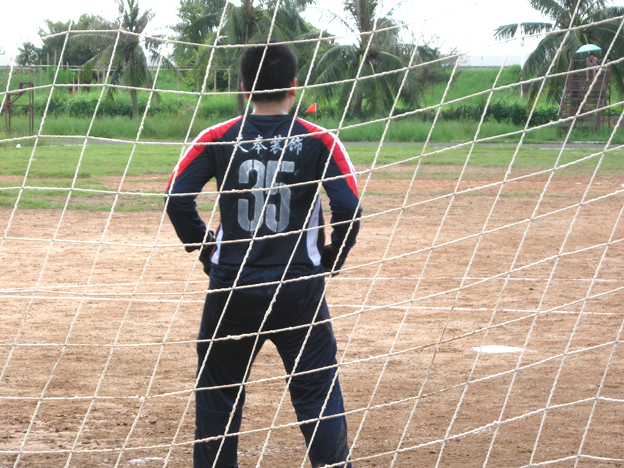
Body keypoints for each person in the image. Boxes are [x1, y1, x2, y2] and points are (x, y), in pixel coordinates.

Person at [165, 42, 361, 468]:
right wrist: (332, 256)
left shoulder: (217, 137)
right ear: (294, 85)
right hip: (298, 288)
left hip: (232, 285)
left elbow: (177, 198)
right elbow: (348, 206)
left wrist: (206, 248)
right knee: (316, 391)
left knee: (219, 392)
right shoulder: (319, 139)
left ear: (243, 87)